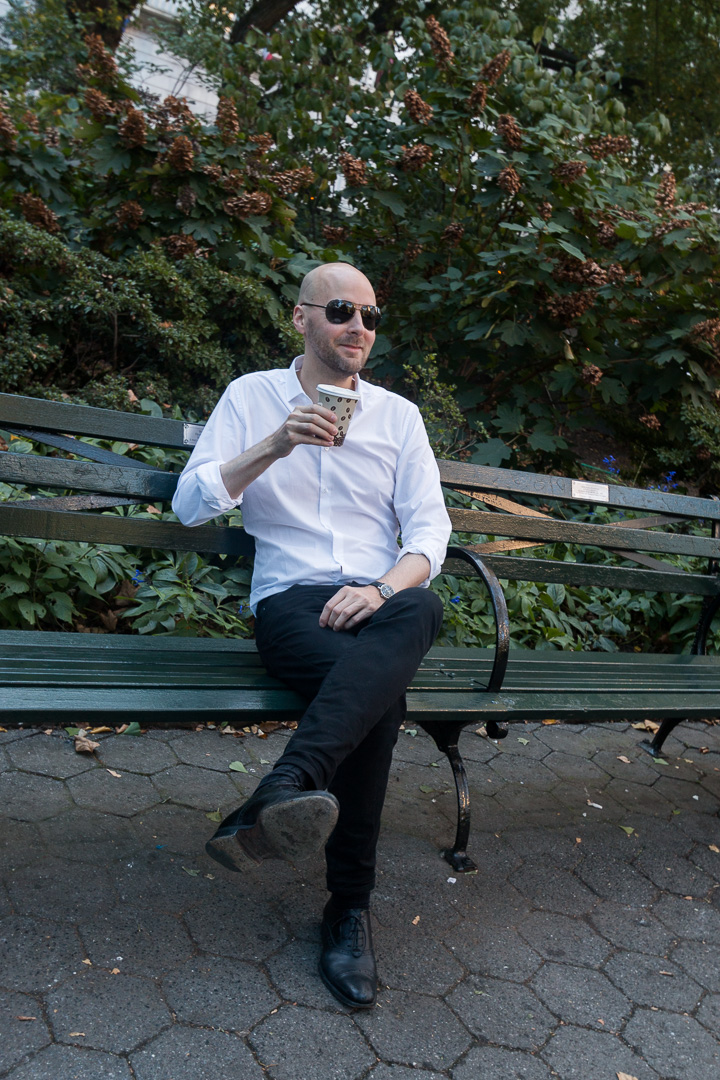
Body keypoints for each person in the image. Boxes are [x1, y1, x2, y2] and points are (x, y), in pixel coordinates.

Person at [172, 261, 451, 1009]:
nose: (358, 326)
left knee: (422, 608)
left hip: (378, 600)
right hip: (291, 604)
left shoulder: (398, 417)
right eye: (340, 311)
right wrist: (274, 444)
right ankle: (349, 908)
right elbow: (189, 505)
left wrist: (381, 588)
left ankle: (282, 789)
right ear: (301, 318)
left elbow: (430, 532)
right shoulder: (251, 397)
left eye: (370, 315)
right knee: (379, 703)